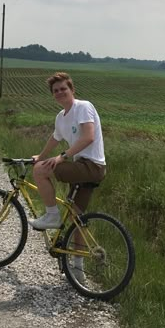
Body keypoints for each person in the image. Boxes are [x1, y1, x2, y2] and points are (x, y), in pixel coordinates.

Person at [29, 72, 106, 231]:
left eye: (63, 88)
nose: (59, 92)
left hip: (92, 166)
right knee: (76, 217)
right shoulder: (60, 117)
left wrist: (61, 157)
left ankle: (52, 216)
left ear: (72, 90)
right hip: (82, 166)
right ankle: (78, 256)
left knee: (39, 170)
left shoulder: (83, 107)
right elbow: (55, 138)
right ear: (53, 95)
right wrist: (40, 156)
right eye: (55, 91)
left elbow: (88, 137)